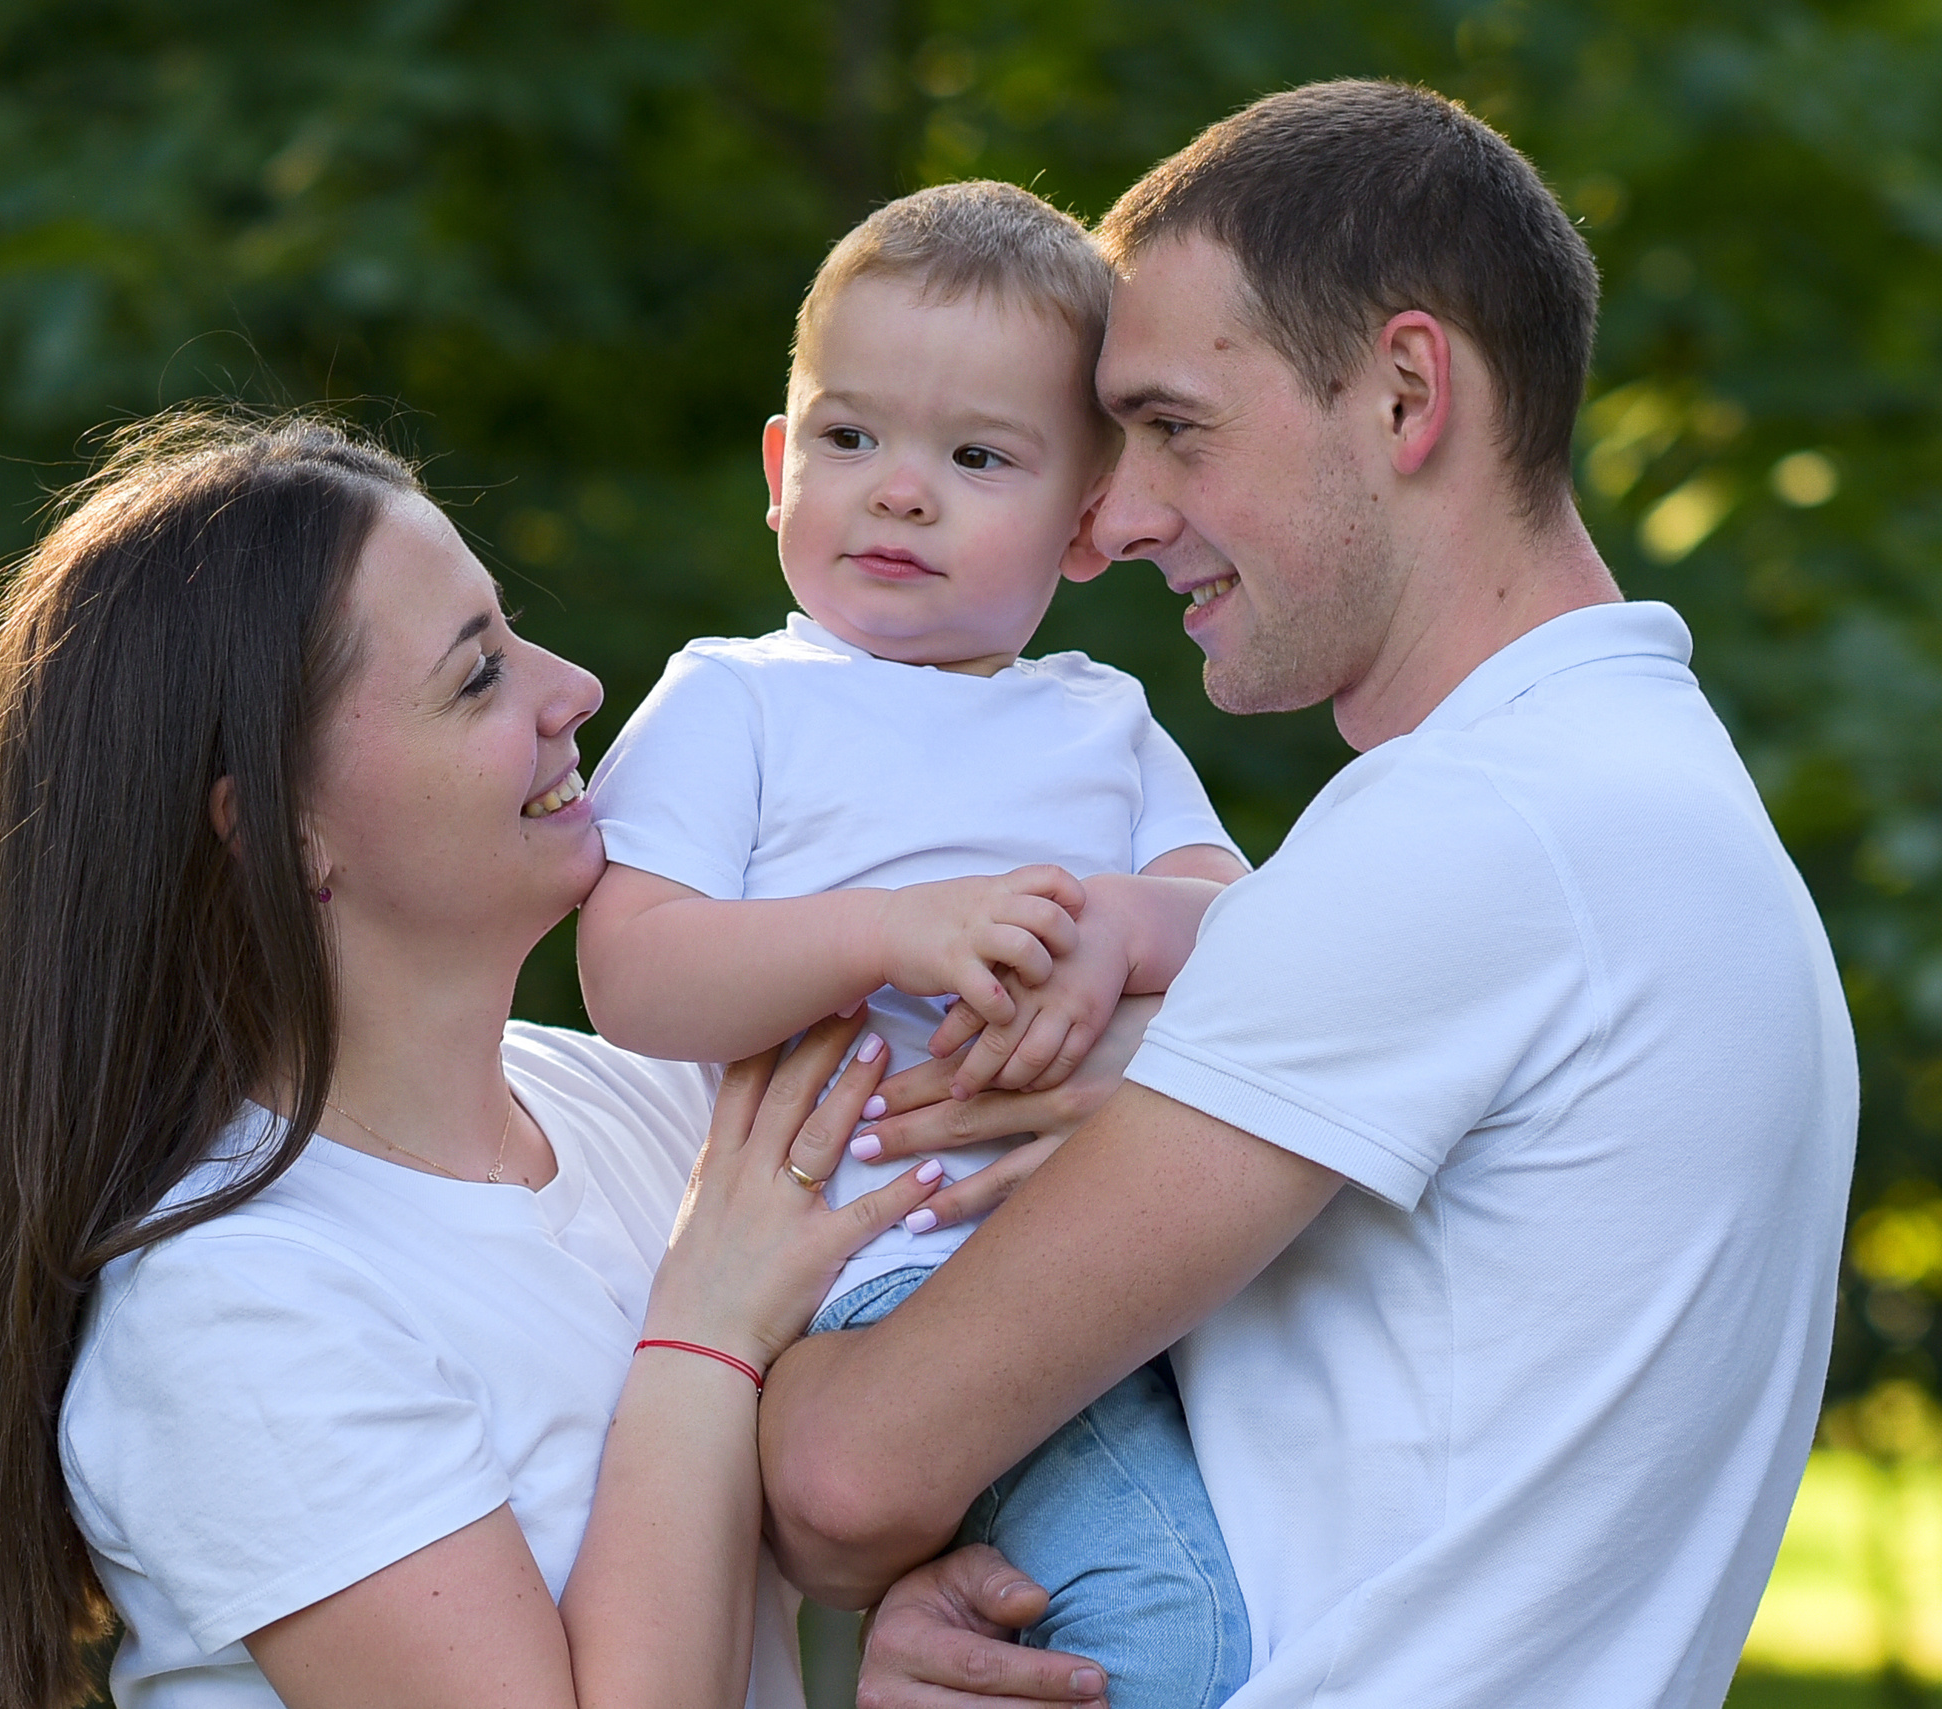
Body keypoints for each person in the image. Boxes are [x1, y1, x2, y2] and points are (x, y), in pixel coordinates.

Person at [762, 79, 1861, 1709]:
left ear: (1406, 393)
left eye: (1176, 427)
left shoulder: (1480, 831)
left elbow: (846, 1474)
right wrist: (1004, 1606)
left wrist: (736, 1314)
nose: (1117, 516)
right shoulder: (1644, 801)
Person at [0, 410, 1116, 1709]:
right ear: (282, 837)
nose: (573, 686)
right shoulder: (233, 1304)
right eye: (478, 675)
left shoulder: (650, 1107)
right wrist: (705, 1324)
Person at [577, 181, 1252, 1705]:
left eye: (976, 457)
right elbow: (636, 974)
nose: (898, 490)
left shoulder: (1104, 717)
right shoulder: (736, 699)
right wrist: (889, 928)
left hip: (1137, 1254)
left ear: (1090, 521)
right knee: (1170, 1618)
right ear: (778, 463)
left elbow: (1250, 926)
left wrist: (1114, 929)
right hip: (892, 1267)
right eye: (850, 436)